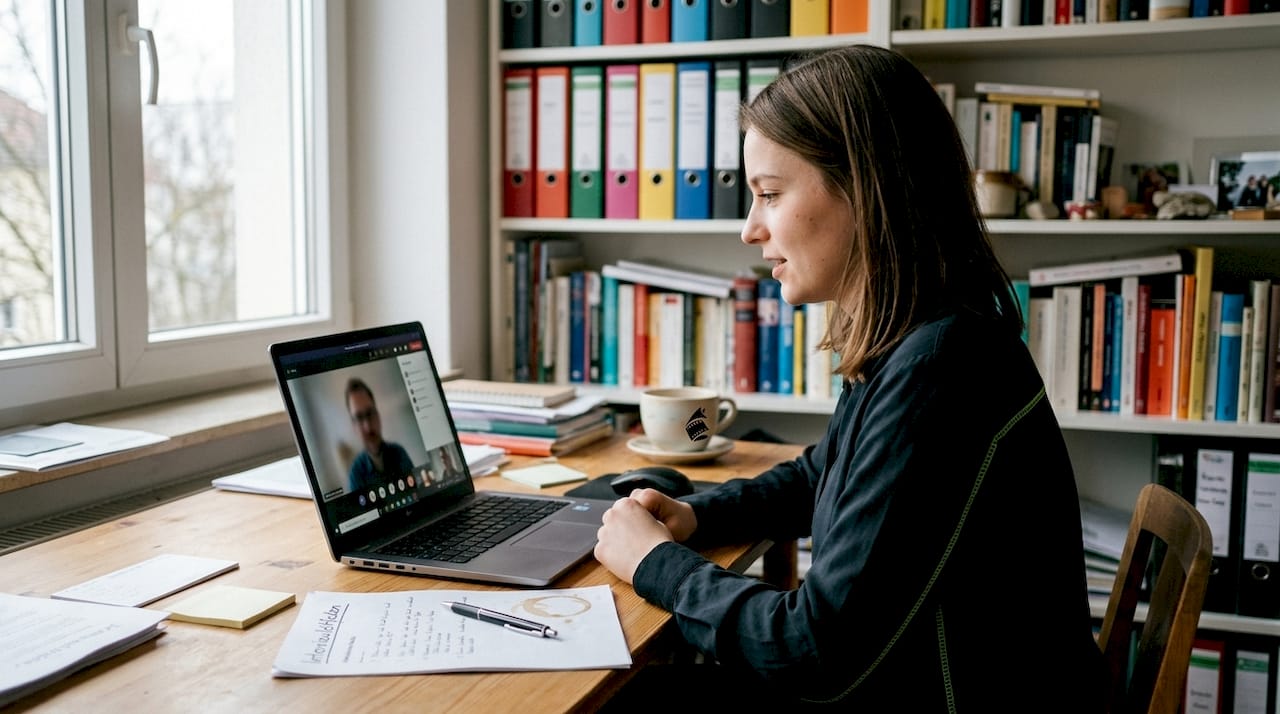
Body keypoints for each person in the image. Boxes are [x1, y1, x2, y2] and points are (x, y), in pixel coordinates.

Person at [593, 45, 1105, 711]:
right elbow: (822, 474)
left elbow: (814, 653)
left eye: (769, 195)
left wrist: (656, 564)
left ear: (868, 188)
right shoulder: (925, 336)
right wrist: (694, 515)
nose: (750, 229)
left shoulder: (943, 370)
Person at [344, 377, 414, 493]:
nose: (367, 426)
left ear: (377, 415)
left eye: (370, 413)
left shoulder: (399, 453)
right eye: (359, 418)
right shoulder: (355, 475)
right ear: (354, 426)